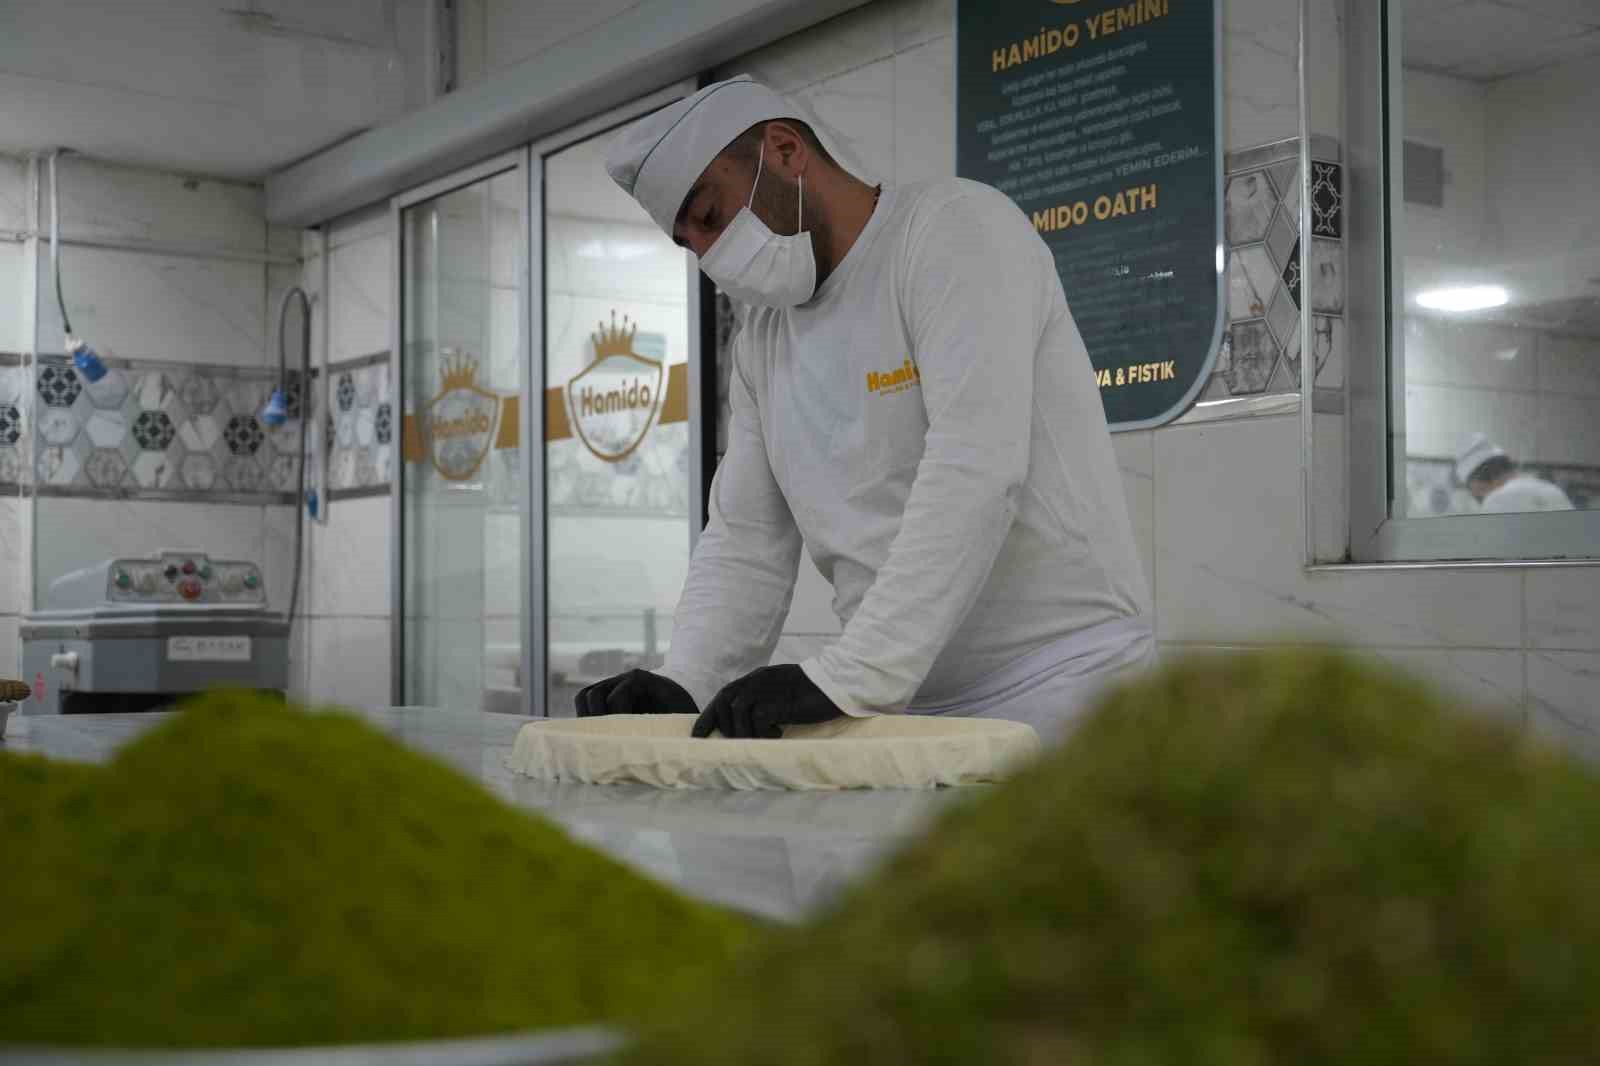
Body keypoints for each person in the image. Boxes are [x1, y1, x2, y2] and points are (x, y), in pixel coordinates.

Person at [574, 75, 1152, 744]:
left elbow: (975, 469)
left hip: (1063, 684)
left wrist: (848, 676)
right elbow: (746, 538)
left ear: (785, 150)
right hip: (901, 704)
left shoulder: (953, 231)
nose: (709, 256)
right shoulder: (762, 340)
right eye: (690, 244)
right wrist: (688, 679)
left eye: (710, 216)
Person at [1455, 434, 1574, 514]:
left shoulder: (1496, 501)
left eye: (1474, 491)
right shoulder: (1552, 490)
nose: (1476, 496)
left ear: (1478, 484)